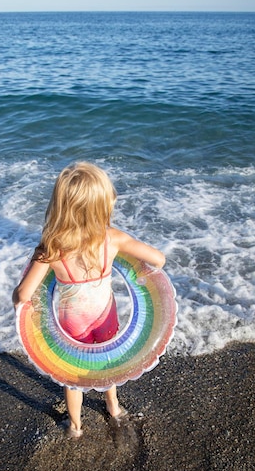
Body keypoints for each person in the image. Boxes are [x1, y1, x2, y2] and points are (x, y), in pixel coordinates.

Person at [12, 162, 165, 438]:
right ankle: (114, 408)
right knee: (108, 362)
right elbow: (159, 259)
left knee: (72, 377)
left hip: (72, 325)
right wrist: (134, 265)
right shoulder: (113, 239)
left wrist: (17, 301)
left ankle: (75, 426)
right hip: (106, 318)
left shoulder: (52, 247)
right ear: (101, 205)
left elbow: (24, 293)